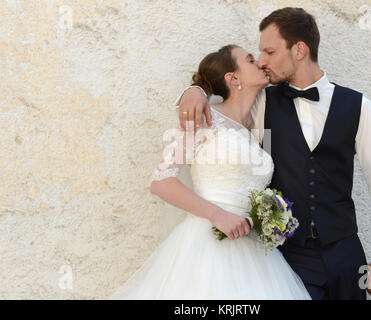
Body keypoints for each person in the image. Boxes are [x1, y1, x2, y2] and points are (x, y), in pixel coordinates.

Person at [176, 7, 371, 299]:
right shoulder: (261, 103)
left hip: (346, 255)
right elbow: (224, 100)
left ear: (299, 49)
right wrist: (195, 90)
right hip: (287, 258)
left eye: (270, 51)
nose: (262, 61)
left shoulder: (358, 106)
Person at [108, 44, 312, 299]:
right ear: (233, 78)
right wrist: (218, 215)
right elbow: (162, 181)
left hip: (252, 249)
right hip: (207, 242)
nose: (260, 63)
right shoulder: (205, 117)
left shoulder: (256, 128)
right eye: (250, 60)